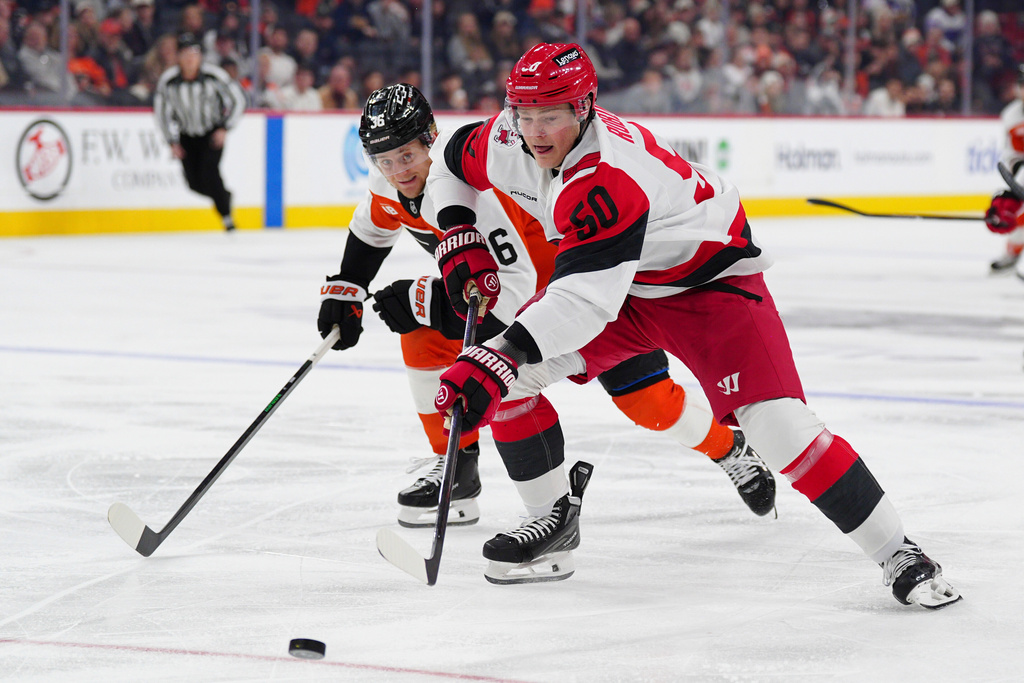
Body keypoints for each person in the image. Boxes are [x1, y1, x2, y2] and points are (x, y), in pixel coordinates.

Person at [425, 43, 961, 608]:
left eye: (550, 116)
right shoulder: (510, 136)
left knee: (776, 427)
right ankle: (550, 525)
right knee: (506, 376)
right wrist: (458, 233)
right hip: (630, 285)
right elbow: (449, 165)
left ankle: (898, 552)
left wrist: (500, 351)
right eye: (524, 114)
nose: (535, 131)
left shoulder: (606, 175)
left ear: (584, 108)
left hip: (709, 288)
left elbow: (584, 300)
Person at [317, 84, 776, 530]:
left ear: (431, 140)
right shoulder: (387, 182)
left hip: (580, 296)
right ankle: (455, 466)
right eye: (384, 159)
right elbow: (372, 227)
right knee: (419, 331)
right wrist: (348, 285)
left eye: (408, 155)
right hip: (529, 305)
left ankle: (728, 448)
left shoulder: (473, 197)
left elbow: (517, 294)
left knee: (649, 404)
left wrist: (430, 301)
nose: (398, 170)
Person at [154, 32, 245, 232]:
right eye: (185, 53)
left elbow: (238, 99)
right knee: (194, 183)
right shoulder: (169, 81)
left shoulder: (214, 76)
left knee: (209, 172)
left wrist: (224, 127)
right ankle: (224, 196)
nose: (190, 58)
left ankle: (226, 217)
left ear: (201, 56)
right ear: (178, 56)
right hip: (187, 136)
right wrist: (172, 141)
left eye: (194, 53)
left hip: (211, 133)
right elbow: (161, 112)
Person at [985, 65, 1024, 276]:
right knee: (1019, 215)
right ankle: (1013, 254)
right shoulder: (1011, 115)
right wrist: (1013, 188)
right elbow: (1011, 155)